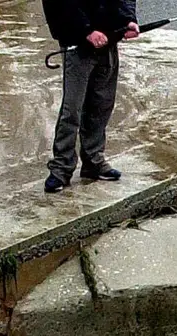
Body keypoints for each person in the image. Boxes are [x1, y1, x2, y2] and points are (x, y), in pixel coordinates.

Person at [40, 0, 139, 194]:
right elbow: (60, 4)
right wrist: (86, 30)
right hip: (76, 44)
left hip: (109, 41)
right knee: (72, 109)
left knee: (101, 105)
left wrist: (128, 20)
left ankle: (94, 162)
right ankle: (61, 169)